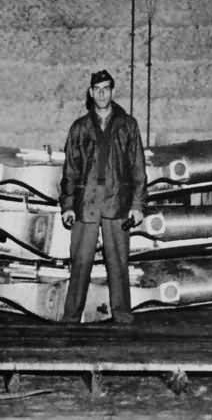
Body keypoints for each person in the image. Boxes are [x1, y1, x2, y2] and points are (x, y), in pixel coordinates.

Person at [59, 69, 147, 323]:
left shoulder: (128, 125)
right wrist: (67, 205)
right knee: (80, 261)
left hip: (117, 200)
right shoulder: (79, 128)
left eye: (106, 88)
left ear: (112, 91)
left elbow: (138, 167)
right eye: (97, 89)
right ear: (90, 92)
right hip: (86, 202)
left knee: (118, 262)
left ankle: (122, 315)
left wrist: (138, 205)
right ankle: (71, 317)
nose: (101, 93)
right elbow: (70, 170)